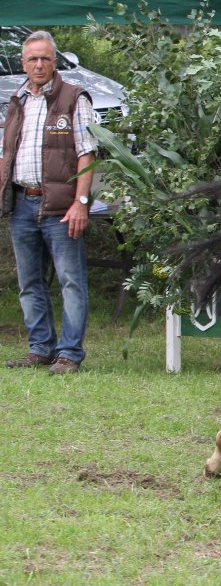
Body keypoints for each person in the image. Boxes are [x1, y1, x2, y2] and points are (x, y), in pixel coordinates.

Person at [1, 30, 97, 374]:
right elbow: (8, 153)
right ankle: (40, 348)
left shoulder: (74, 97)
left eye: (45, 58)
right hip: (23, 204)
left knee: (71, 281)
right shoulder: (18, 101)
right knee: (30, 282)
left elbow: (88, 153)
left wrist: (80, 202)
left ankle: (69, 353)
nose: (39, 64)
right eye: (32, 59)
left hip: (61, 207)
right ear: (24, 64)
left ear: (55, 62)